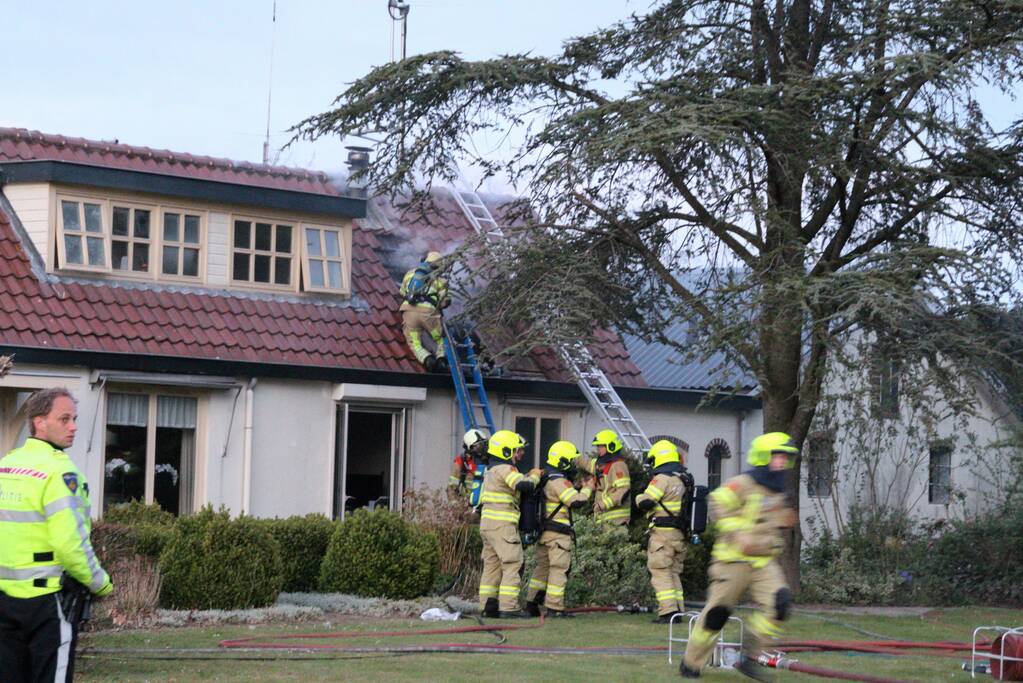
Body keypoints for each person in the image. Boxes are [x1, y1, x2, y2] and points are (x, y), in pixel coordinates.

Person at [0, 387, 113, 682]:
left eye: (74, 418)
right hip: (49, 603)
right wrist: (101, 584)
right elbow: (71, 546)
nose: (73, 426)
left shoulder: (6, 465)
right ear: (39, 422)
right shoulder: (61, 473)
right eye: (64, 419)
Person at [679, 432, 799, 681]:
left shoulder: (778, 491)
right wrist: (737, 533)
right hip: (732, 562)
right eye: (778, 457)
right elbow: (717, 501)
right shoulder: (744, 483)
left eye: (786, 458)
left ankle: (750, 655)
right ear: (763, 457)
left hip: (763, 563)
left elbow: (775, 523)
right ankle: (691, 663)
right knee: (717, 615)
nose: (782, 463)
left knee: (781, 603)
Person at [523, 441, 592, 618]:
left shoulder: (546, 477)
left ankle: (531, 604)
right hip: (558, 534)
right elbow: (576, 501)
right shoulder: (559, 480)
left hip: (544, 533)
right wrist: (588, 489)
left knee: (542, 569)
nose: (573, 466)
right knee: (558, 569)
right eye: (571, 461)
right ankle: (555, 608)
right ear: (563, 462)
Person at [478, 430, 541, 618]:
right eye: (517, 450)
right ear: (505, 451)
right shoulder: (507, 469)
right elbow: (525, 486)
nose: (520, 454)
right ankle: (509, 607)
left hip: (487, 526)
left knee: (492, 566)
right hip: (503, 526)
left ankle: (487, 606)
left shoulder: (490, 471)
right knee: (513, 563)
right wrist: (535, 475)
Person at [635, 439, 693, 624]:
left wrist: (638, 497)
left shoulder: (661, 479)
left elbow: (647, 501)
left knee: (660, 571)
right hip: (680, 534)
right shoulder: (683, 479)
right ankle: (678, 611)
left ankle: (667, 613)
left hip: (662, 535)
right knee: (673, 573)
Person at [398, 251, 450, 372]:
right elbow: (444, 301)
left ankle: (427, 359)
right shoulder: (440, 280)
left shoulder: (410, 274)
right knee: (440, 339)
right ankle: (441, 360)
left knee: (414, 342)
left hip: (408, 312)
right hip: (428, 313)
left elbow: (401, 292)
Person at [576, 429, 632, 525]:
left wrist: (603, 504)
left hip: (616, 522)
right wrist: (574, 457)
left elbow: (623, 491)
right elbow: (588, 464)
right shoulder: (604, 464)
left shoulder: (618, 465)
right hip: (604, 520)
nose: (598, 449)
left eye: (601, 446)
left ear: (611, 446)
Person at [448, 428, 488, 500]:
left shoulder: (489, 460)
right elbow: (451, 488)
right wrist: (456, 507)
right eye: (478, 446)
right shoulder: (461, 463)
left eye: (484, 444)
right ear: (470, 448)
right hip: (468, 504)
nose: (483, 448)